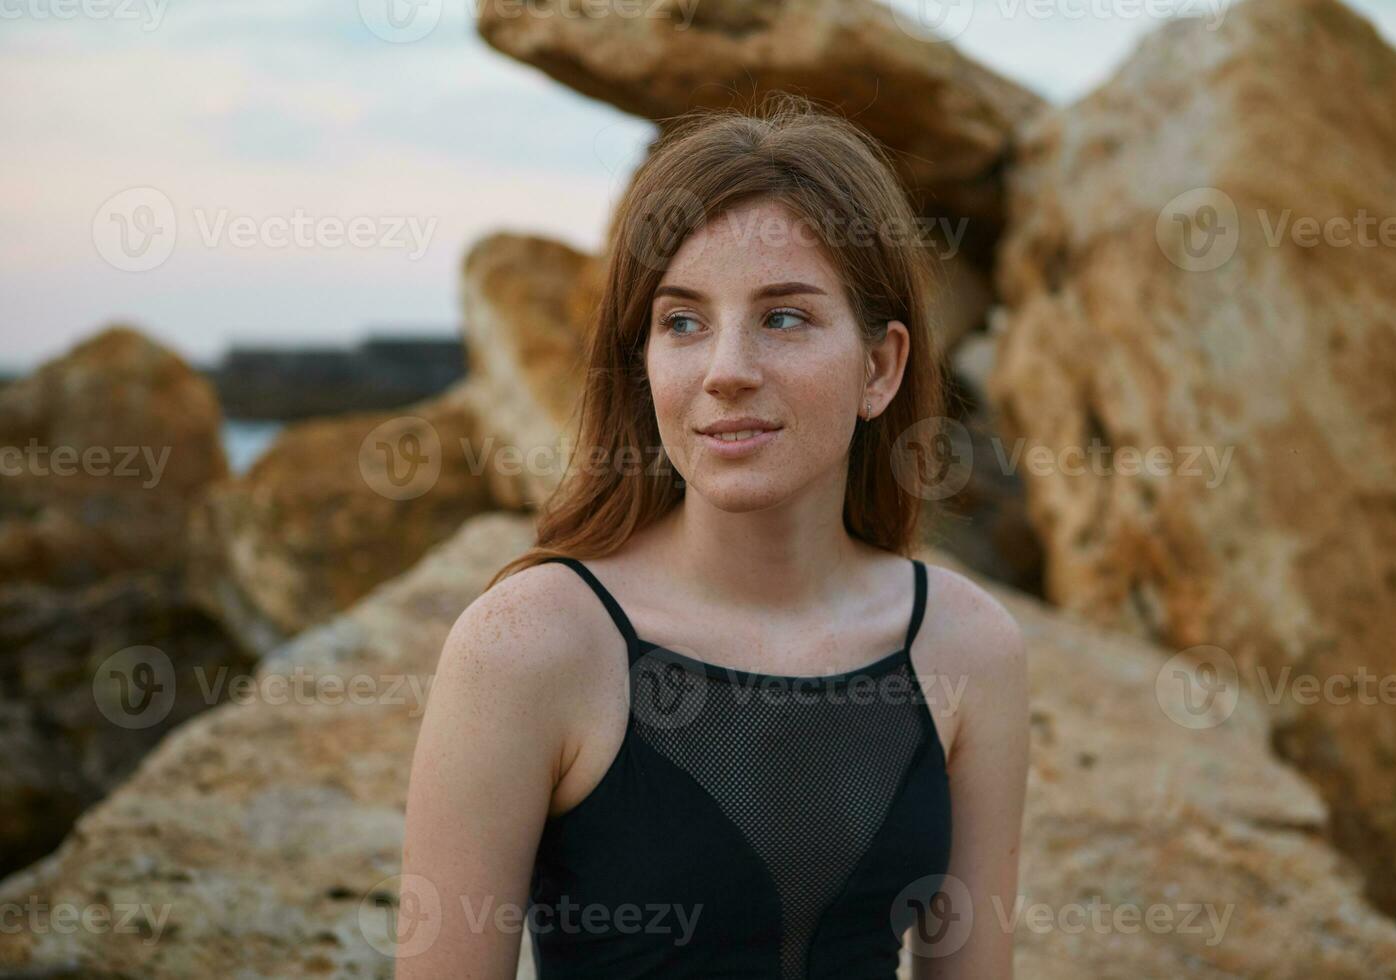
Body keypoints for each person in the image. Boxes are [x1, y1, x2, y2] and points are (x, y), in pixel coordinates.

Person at [397, 92, 1028, 980]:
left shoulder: (968, 647)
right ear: (645, 359)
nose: (726, 371)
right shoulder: (529, 645)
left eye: (784, 317)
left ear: (881, 368)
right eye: (683, 321)